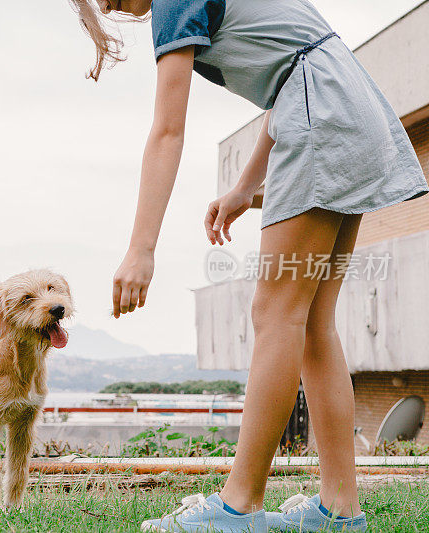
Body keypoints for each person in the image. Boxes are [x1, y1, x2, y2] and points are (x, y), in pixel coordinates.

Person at [68, 0, 429, 531]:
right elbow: (291, 71)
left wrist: (141, 248)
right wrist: (243, 187)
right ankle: (341, 510)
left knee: (275, 313)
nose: (103, 4)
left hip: (322, 111)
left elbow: (168, 131)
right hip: (351, 108)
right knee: (310, 323)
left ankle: (239, 507)